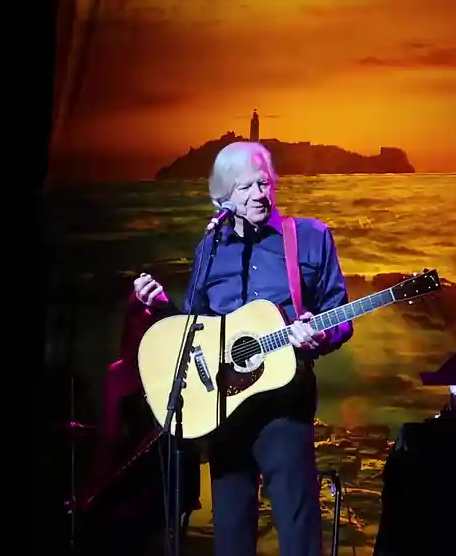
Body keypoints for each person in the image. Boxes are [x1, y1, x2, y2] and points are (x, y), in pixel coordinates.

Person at [132, 140, 354, 556]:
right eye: (247, 187)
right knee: (231, 532)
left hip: (284, 404)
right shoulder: (210, 248)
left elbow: (340, 315)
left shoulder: (307, 237)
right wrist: (162, 306)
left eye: (265, 183)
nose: (260, 194)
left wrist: (320, 335)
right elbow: (195, 329)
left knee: (298, 526)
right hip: (224, 406)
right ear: (223, 197)